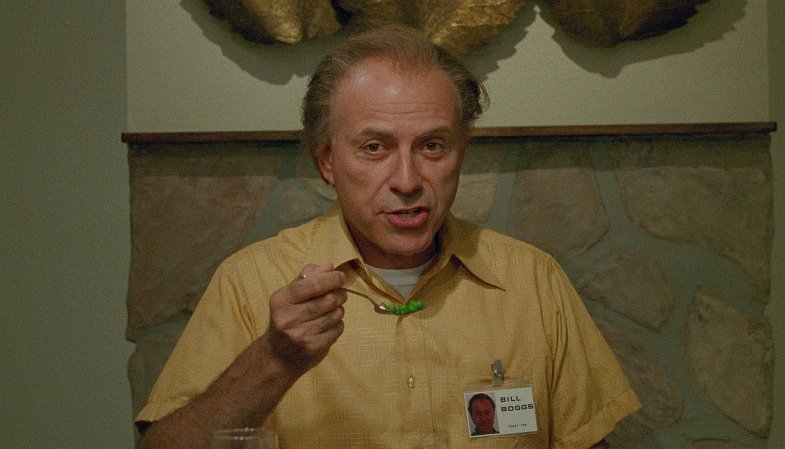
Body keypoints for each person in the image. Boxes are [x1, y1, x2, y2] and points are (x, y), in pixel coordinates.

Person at [135, 24, 640, 449]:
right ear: (327, 160)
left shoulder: (532, 280)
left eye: (432, 146)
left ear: (461, 152)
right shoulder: (250, 282)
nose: (407, 180)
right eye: (375, 147)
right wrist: (274, 359)